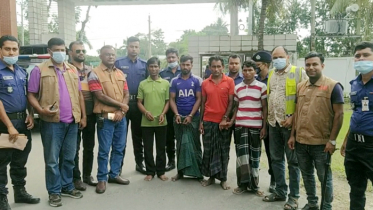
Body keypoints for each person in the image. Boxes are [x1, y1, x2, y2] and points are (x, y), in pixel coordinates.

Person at [28, 37, 86, 207]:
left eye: (63, 50)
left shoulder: (72, 70)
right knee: (52, 160)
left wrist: (83, 116)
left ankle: (67, 186)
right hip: (52, 122)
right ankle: (54, 191)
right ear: (49, 51)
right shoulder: (39, 71)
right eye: (57, 50)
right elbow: (31, 94)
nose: (60, 53)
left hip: (72, 122)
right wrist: (40, 111)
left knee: (69, 158)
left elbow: (79, 94)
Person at [288, 52, 344, 210]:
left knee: (324, 177)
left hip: (321, 143)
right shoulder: (301, 86)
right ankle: (312, 203)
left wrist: (332, 141)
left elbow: (339, 114)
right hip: (301, 141)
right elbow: (297, 112)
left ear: (322, 66)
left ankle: (326, 206)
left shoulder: (333, 86)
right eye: (308, 65)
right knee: (306, 175)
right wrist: (292, 135)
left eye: (315, 64)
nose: (311, 67)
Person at [262, 46, 307, 210]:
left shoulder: (298, 72)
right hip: (273, 123)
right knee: (276, 159)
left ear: (288, 57)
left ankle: (293, 197)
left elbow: (304, 99)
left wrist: (293, 118)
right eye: (274, 57)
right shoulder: (272, 74)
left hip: (290, 127)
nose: (277, 60)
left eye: (280, 56)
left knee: (293, 162)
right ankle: (280, 191)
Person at [0, 35, 40, 210]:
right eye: (7, 49)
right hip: (4, 123)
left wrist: (30, 114)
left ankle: (20, 192)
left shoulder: (21, 71)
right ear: (0, 50)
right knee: (2, 162)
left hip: (22, 122)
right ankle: (2, 197)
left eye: (14, 49)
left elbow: (27, 96)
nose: (11, 52)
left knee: (20, 159)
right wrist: (8, 126)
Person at [88, 45, 130, 194]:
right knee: (104, 150)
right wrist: (121, 107)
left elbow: (126, 93)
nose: (111, 57)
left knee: (119, 148)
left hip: (120, 117)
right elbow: (99, 95)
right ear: (100, 56)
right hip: (105, 117)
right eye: (107, 54)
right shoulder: (94, 73)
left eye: (113, 54)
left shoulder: (120, 73)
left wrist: (121, 111)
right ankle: (102, 179)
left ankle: (114, 174)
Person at [340, 42, 373, 210]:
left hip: (371, 145)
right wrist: (346, 139)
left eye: (366, 55)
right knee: (356, 188)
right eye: (358, 56)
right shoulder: (355, 83)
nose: (361, 58)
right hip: (354, 144)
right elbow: (355, 113)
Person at [230, 60, 267, 197]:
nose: (247, 73)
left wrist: (264, 127)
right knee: (242, 157)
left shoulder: (261, 87)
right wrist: (232, 121)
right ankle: (242, 185)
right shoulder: (237, 87)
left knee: (254, 157)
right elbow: (236, 107)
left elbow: (264, 107)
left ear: (255, 71)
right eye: (245, 70)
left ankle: (255, 185)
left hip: (256, 127)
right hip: (240, 126)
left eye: (250, 70)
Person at [199, 55, 235, 190]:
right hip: (208, 121)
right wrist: (201, 121)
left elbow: (231, 102)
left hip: (223, 123)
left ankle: (223, 179)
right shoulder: (205, 83)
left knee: (223, 151)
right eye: (213, 66)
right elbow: (203, 103)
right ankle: (211, 177)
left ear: (223, 67)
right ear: (209, 68)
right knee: (208, 150)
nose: (216, 69)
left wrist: (225, 118)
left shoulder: (229, 81)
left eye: (219, 66)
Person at [115, 36, 147, 174]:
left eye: (136, 46)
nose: (134, 49)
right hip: (122, 104)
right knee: (120, 137)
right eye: (131, 46)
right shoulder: (118, 63)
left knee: (138, 137)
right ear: (127, 47)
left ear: (139, 48)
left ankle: (140, 164)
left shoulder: (144, 64)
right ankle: (118, 168)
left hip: (138, 105)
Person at [68, 41, 98, 190]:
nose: (81, 53)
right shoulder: (67, 69)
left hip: (90, 114)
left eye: (83, 51)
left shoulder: (90, 70)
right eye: (77, 51)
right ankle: (76, 178)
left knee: (89, 146)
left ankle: (87, 175)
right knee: (74, 148)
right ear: (70, 53)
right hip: (74, 114)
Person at [169, 55, 203, 182]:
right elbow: (172, 99)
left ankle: (198, 173)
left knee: (195, 145)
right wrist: (177, 114)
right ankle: (180, 172)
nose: (185, 67)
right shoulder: (174, 81)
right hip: (178, 118)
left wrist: (191, 115)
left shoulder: (197, 80)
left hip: (193, 118)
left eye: (188, 64)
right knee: (180, 145)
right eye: (183, 64)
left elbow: (199, 99)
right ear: (180, 65)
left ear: (191, 65)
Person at [137, 57, 170, 181]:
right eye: (151, 66)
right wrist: (145, 112)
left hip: (162, 121)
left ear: (159, 67)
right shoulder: (143, 84)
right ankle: (150, 172)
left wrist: (163, 114)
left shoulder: (165, 83)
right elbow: (139, 102)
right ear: (148, 68)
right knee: (148, 148)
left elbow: (168, 101)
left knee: (161, 147)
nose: (154, 69)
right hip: (146, 122)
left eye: (156, 66)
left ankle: (161, 171)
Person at [252, 51, 275, 193]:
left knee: (271, 152)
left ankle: (274, 179)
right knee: (254, 152)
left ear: (265, 65)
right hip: (254, 120)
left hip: (269, 121)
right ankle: (253, 180)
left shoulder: (273, 79)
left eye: (257, 65)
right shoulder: (253, 79)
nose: (255, 68)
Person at [159, 48, 181, 172]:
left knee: (181, 136)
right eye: (169, 58)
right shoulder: (162, 74)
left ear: (177, 57)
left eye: (173, 57)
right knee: (169, 137)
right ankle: (171, 160)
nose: (171, 59)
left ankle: (182, 160)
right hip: (167, 110)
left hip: (181, 109)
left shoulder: (183, 71)